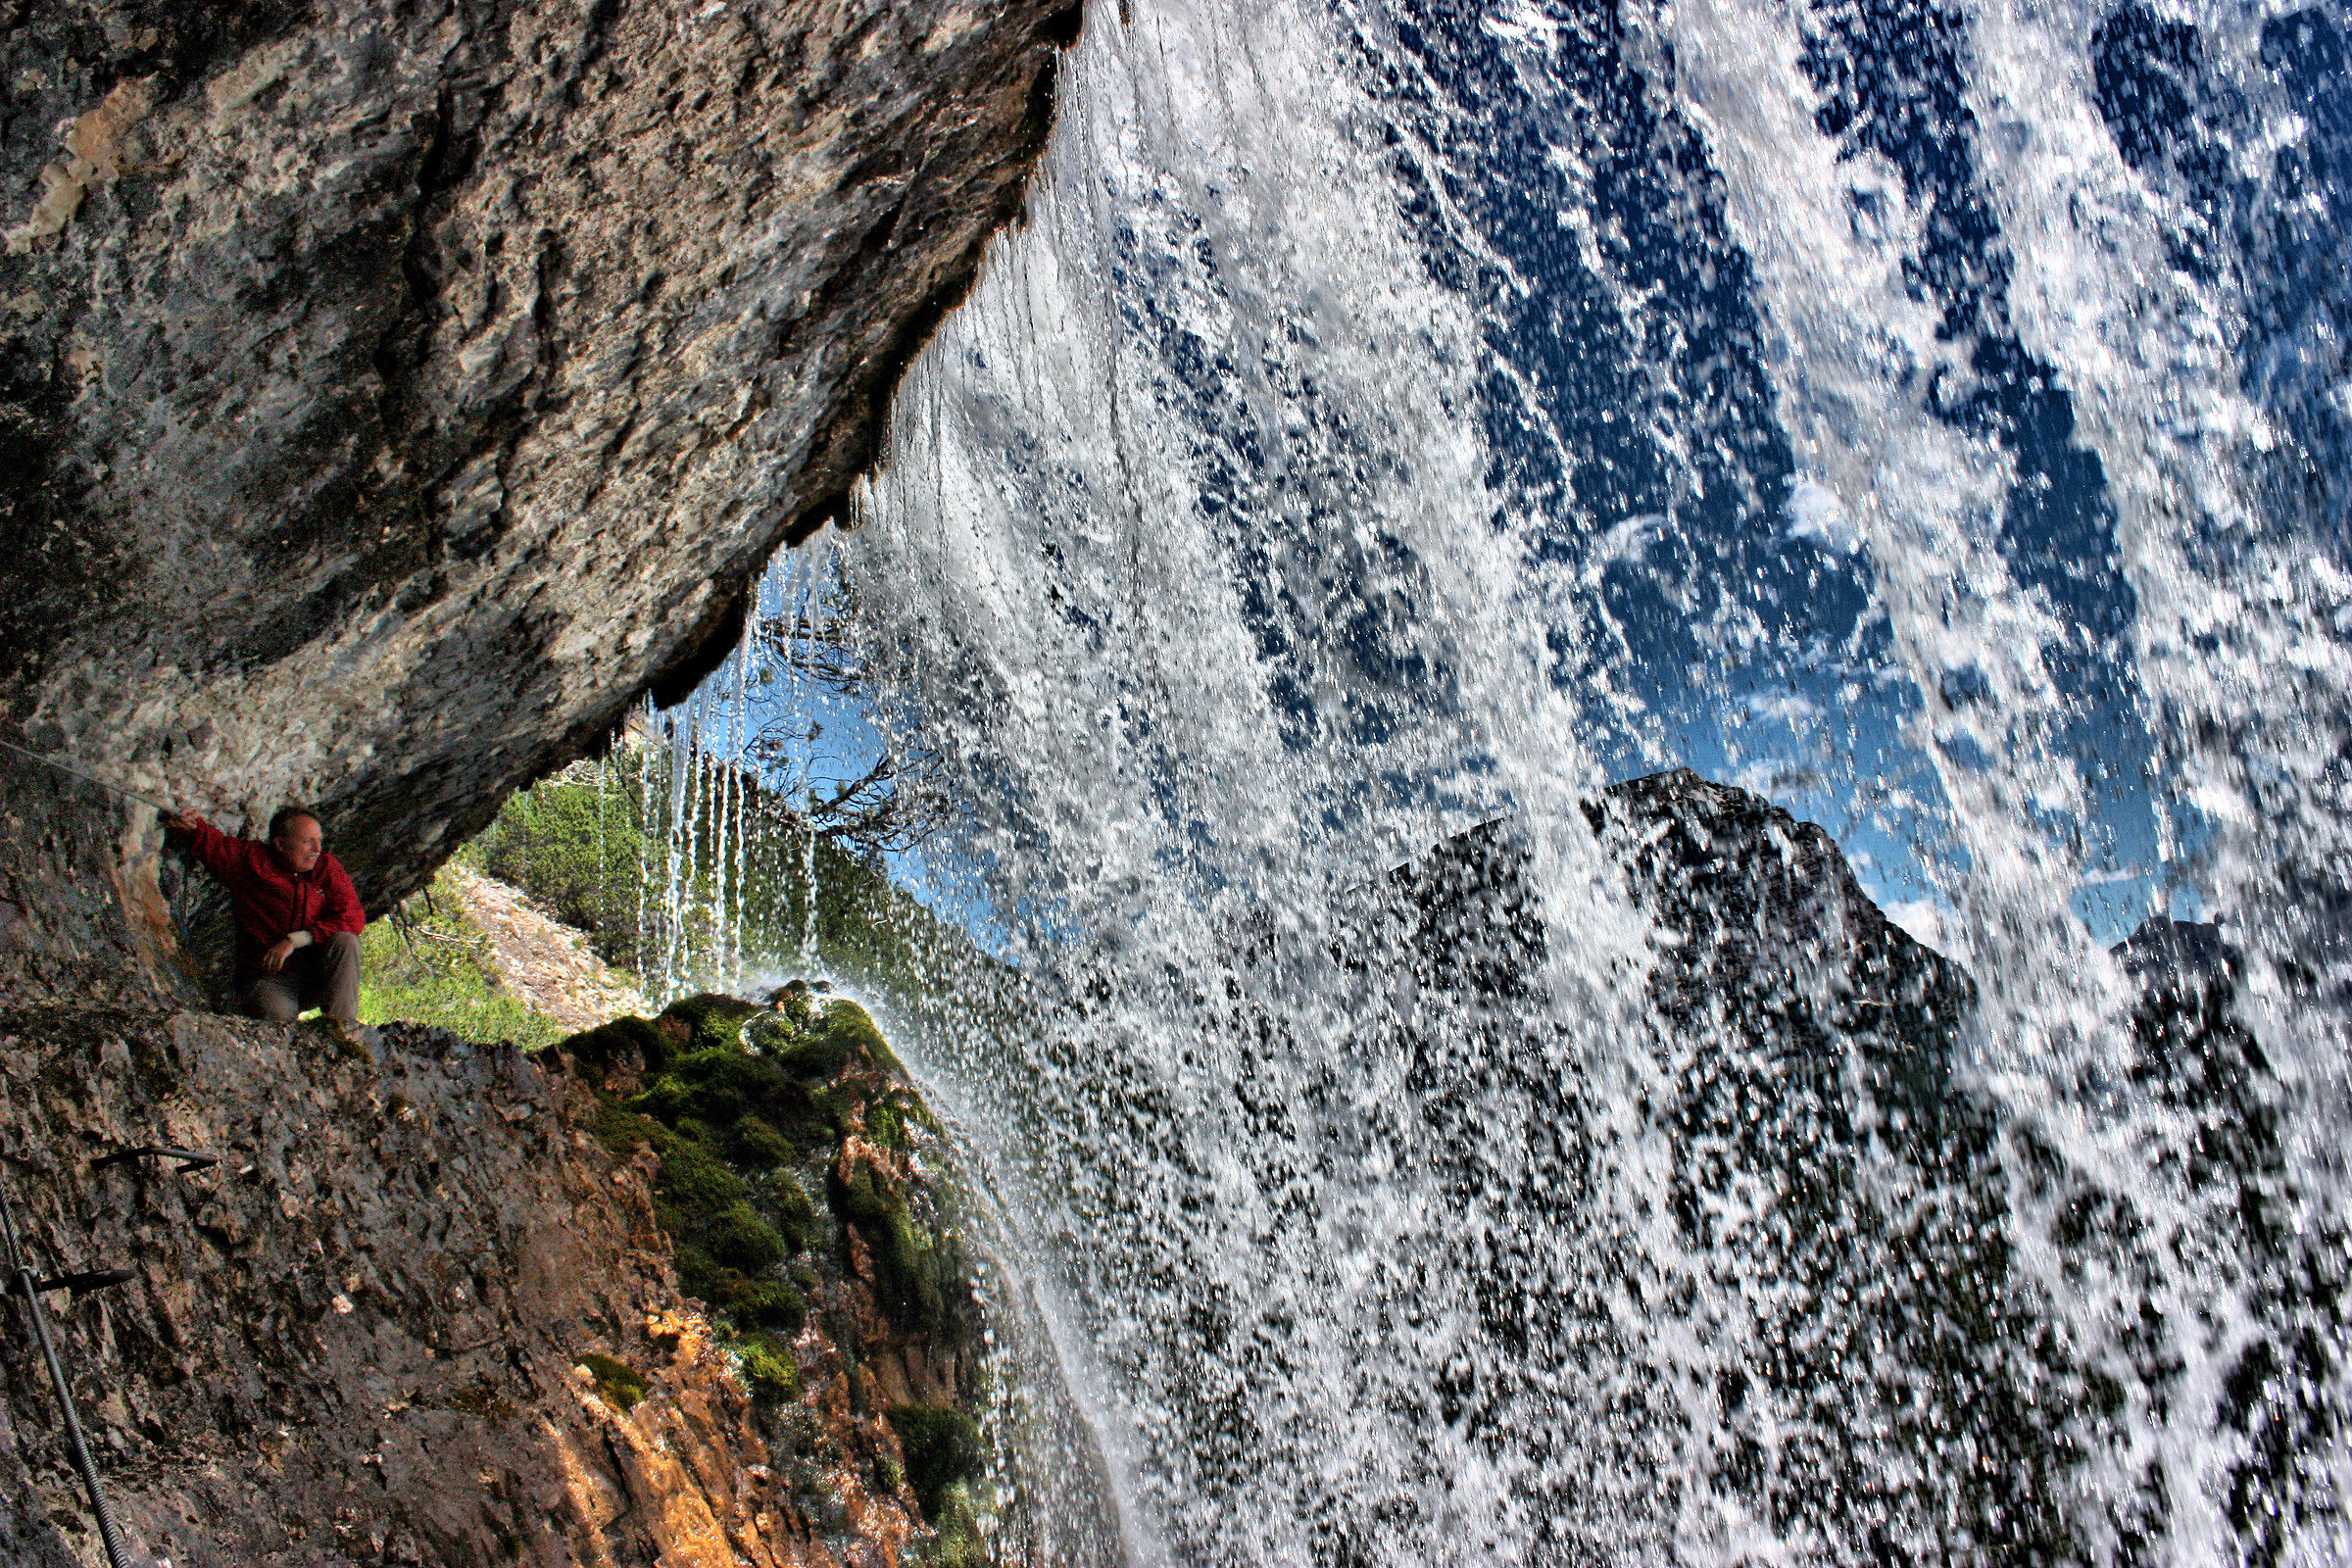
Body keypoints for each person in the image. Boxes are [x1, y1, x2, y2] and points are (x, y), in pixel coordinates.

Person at [162, 805, 367, 1024]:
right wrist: (189, 826)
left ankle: (342, 1029)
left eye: (319, 840)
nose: (317, 848)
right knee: (277, 1019)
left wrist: (294, 941)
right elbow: (214, 845)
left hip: (315, 973)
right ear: (279, 844)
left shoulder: (325, 868)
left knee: (346, 941)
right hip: (269, 977)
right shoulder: (253, 861)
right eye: (307, 841)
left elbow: (352, 918)